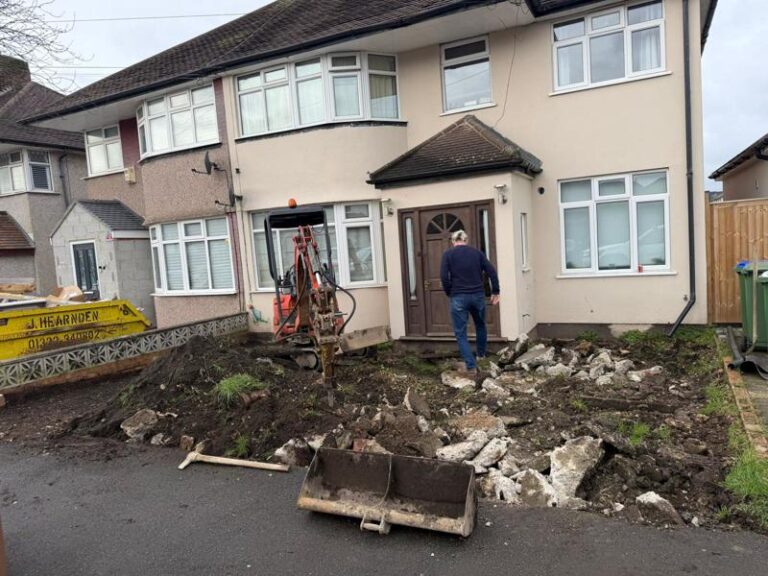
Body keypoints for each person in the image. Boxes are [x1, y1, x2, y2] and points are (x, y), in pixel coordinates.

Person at [440, 230, 500, 373]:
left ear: (453, 241)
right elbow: (491, 271)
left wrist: (450, 292)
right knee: (480, 325)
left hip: (458, 297)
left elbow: (443, 277)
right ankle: (480, 355)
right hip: (478, 296)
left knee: (461, 333)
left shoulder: (448, 254)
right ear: (466, 240)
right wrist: (495, 291)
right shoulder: (477, 253)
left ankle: (471, 366)